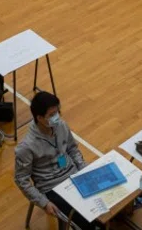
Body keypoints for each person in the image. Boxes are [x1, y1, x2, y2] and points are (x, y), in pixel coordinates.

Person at [14, 92, 104, 230]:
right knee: (87, 222)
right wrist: (44, 203)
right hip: (52, 187)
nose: (56, 117)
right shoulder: (26, 147)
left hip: (72, 174)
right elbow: (21, 180)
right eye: (51, 115)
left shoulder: (61, 125)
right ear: (39, 118)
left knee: (105, 205)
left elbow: (72, 149)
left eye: (57, 112)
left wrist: (84, 169)